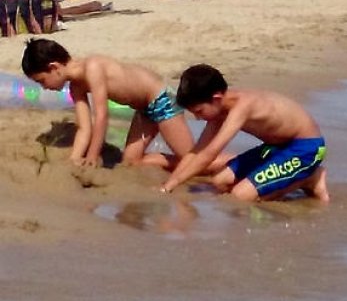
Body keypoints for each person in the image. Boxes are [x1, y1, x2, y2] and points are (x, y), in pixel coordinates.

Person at [22, 39, 203, 169]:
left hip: (161, 100)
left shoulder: (92, 67)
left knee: (191, 159)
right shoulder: (76, 87)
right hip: (144, 110)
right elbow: (84, 128)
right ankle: (192, 164)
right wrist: (74, 159)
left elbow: (102, 115)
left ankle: (213, 162)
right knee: (131, 161)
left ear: (54, 68)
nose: (44, 87)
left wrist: (93, 155)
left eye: (42, 81)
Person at [161, 64, 329, 202]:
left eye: (199, 111)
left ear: (216, 98)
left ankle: (309, 179)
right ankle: (287, 180)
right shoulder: (218, 111)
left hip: (306, 146)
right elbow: (198, 151)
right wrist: (169, 183)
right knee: (219, 181)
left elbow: (210, 154)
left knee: (240, 197)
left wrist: (171, 186)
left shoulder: (243, 106)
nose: (198, 118)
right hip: (277, 146)